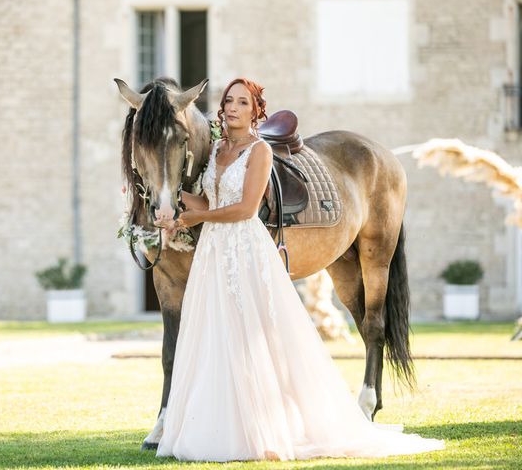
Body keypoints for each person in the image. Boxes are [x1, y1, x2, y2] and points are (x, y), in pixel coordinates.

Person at [155, 78, 445, 462]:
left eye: (242, 102)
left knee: (254, 337)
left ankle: (283, 421)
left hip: (244, 246)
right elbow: (209, 196)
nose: (232, 108)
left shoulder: (259, 151)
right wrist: (168, 204)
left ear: (257, 110)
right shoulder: (218, 151)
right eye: (228, 101)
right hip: (216, 250)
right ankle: (228, 426)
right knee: (219, 337)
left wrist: (196, 217)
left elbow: (243, 208)